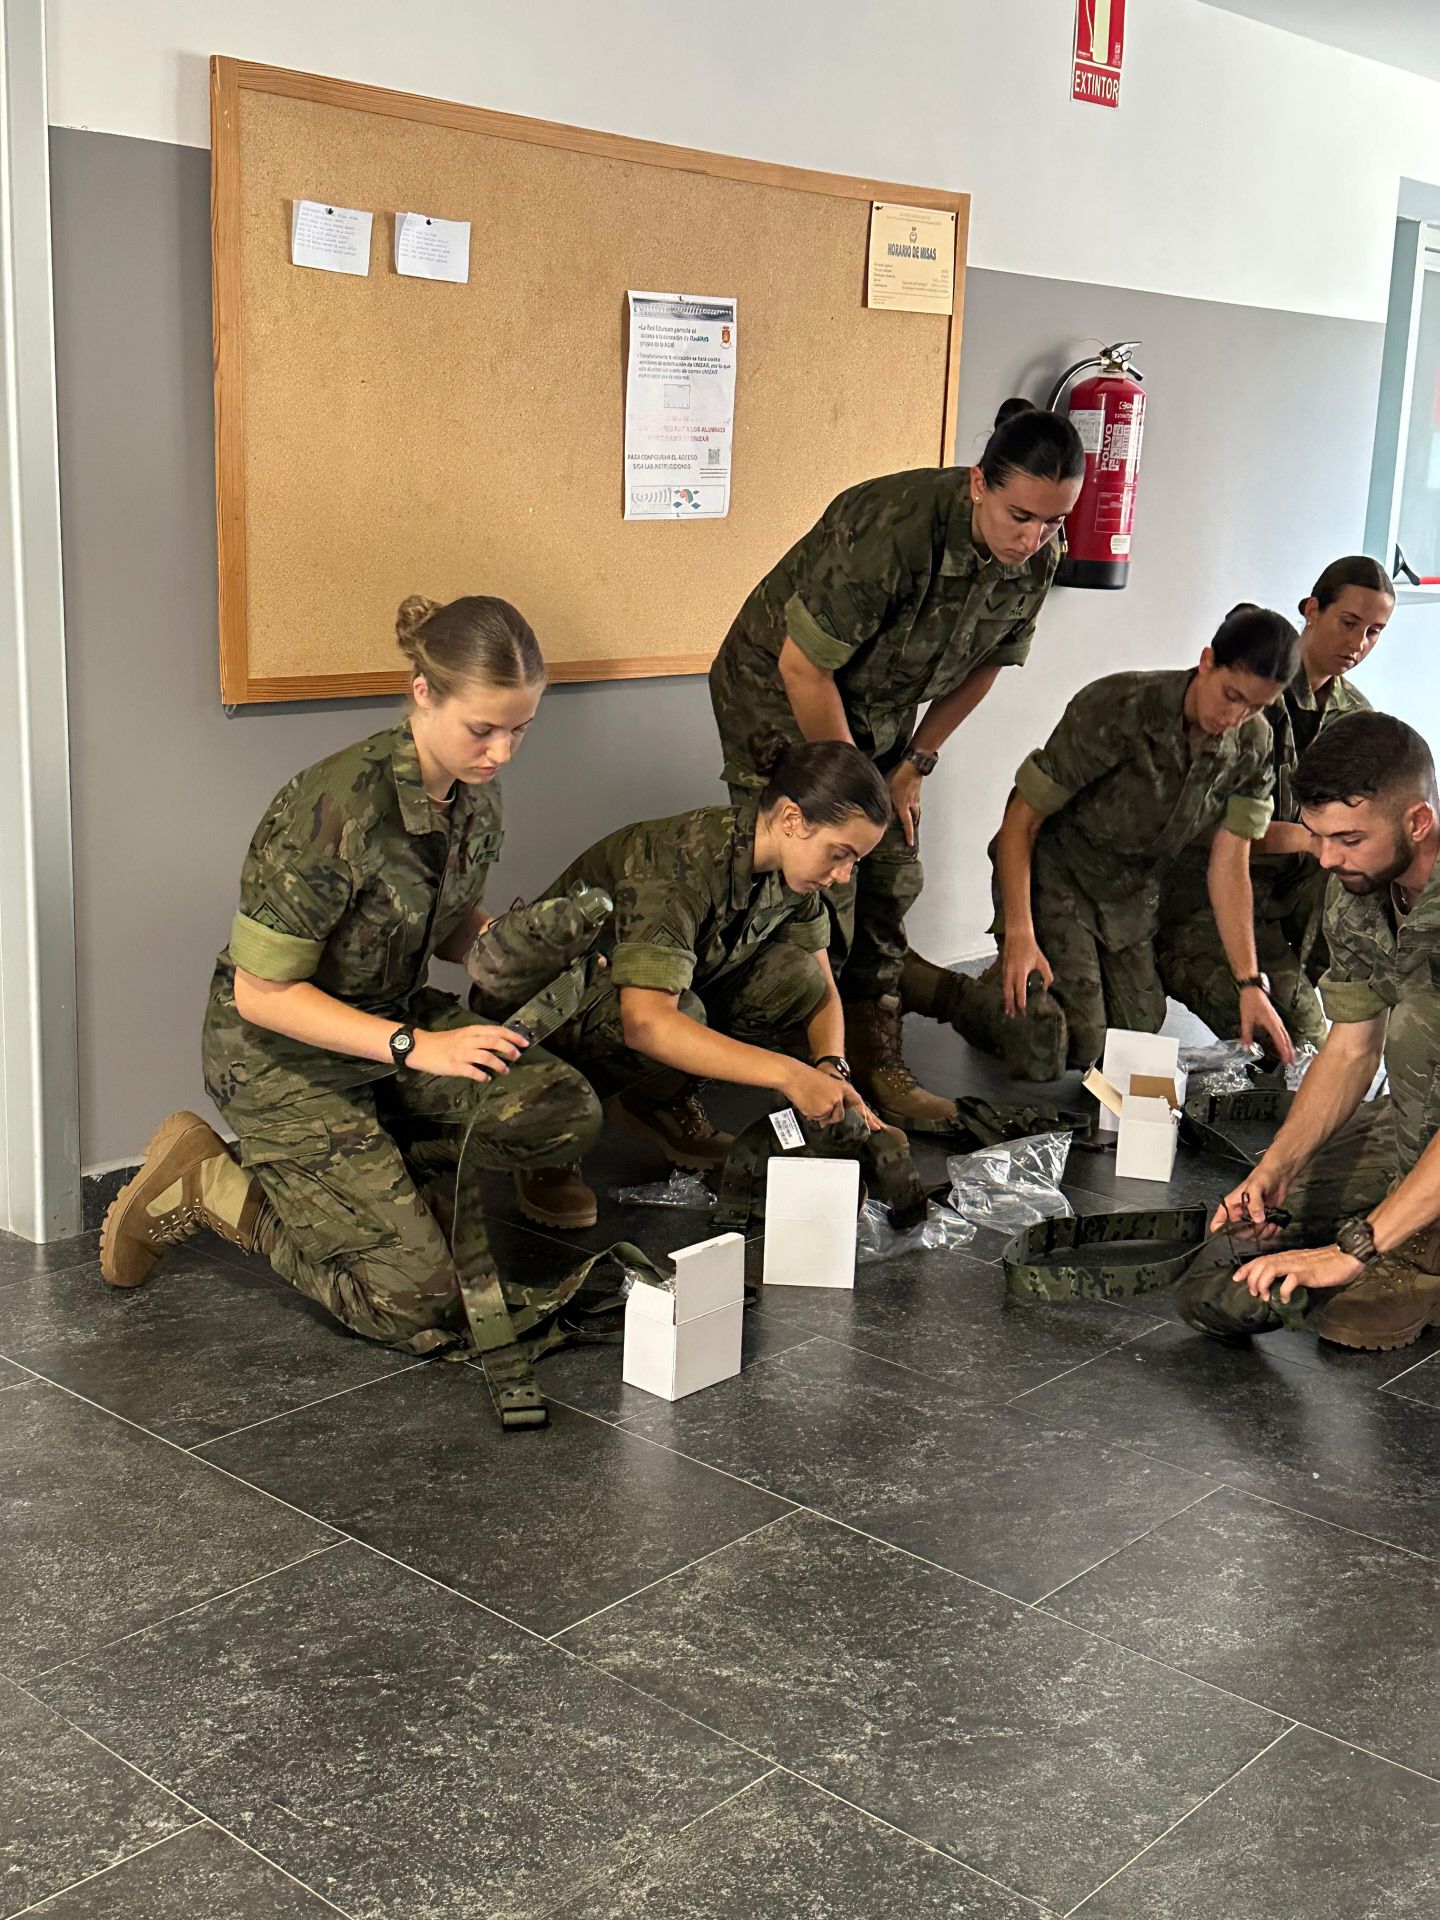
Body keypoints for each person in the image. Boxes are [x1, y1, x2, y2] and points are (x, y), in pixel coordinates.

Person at [99, 595, 602, 1357]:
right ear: (424, 693)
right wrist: (418, 1048)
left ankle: (372, 1181)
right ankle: (212, 1184)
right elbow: (260, 994)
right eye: (483, 729)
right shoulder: (333, 808)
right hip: (282, 1059)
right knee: (419, 1309)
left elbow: (450, 922)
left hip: (384, 1027)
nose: (501, 752)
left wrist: (509, 943)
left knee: (559, 1110)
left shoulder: (475, 796)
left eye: (519, 729)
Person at [708, 400, 1084, 1132]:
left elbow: (988, 665)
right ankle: (807, 1068)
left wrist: (915, 762)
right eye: (1020, 516)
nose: (1034, 539)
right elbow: (802, 667)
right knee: (815, 876)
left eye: (1054, 522)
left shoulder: (1036, 557)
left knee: (893, 873)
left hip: (878, 710)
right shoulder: (892, 528)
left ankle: (879, 1057)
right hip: (776, 694)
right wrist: (857, 796)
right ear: (979, 482)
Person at [511, 731, 891, 1223]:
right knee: (677, 1013)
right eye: (840, 854)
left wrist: (831, 1068)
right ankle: (545, 1132)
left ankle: (661, 1100)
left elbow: (820, 985)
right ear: (793, 819)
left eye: (854, 861)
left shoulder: (792, 871)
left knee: (792, 976)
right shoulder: (677, 865)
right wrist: (789, 1074)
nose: (843, 875)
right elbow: (646, 1023)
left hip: (630, 1002)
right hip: (539, 1019)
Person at [1177, 711, 1440, 1353]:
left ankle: (1423, 1252)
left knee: (1418, 1024)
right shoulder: (1356, 888)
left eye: (1347, 838)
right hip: (1421, 1113)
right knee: (1277, 1224)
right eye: (1319, 835)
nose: (1326, 857)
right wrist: (1275, 1171)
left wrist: (1359, 1248)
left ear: (1418, 822)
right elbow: (1351, 1047)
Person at [967, 605, 1302, 1080]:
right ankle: (977, 998)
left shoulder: (1253, 745)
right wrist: (1020, 932)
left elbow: (1230, 865)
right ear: (1207, 661)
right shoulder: (1120, 706)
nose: (1236, 715)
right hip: (1057, 874)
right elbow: (1021, 820)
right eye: (1231, 695)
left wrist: (1250, 982)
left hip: (1132, 894)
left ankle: (1055, 984)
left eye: (1256, 706)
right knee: (1073, 1042)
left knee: (1136, 1036)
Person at [1156, 556, 1394, 1049]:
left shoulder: (1357, 718)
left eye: (1374, 631)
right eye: (1349, 623)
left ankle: (1307, 985)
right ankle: (1158, 959)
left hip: (1287, 896)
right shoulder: (1242, 694)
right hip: (1206, 893)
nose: (1358, 643)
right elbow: (1200, 825)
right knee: (1294, 1039)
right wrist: (1312, 838)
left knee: (1377, 886)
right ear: (1311, 609)